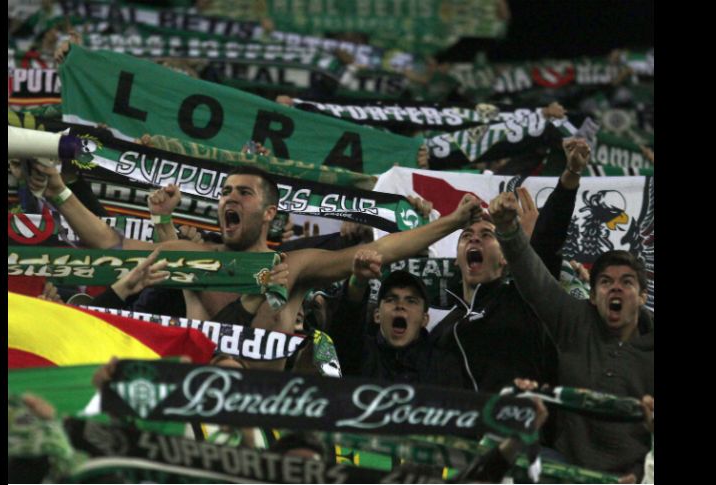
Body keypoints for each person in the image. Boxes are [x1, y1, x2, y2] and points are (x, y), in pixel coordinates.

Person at [30, 162, 484, 371]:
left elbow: (387, 250)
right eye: (226, 192)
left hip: (271, 404)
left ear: (270, 213)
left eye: (243, 193)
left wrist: (455, 220)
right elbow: (112, 243)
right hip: (203, 396)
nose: (229, 198)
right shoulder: (195, 259)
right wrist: (58, 192)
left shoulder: (295, 264)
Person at [488, 180, 654, 479]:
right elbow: (534, 278)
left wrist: (642, 474)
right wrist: (509, 230)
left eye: (627, 282)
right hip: (565, 468)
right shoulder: (574, 321)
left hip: (636, 475)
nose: (615, 287)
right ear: (592, 296)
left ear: (643, 297)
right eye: (605, 282)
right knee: (519, 460)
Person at [429, 139, 592, 393]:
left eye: (487, 235)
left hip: (521, 426)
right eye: (466, 235)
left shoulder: (523, 300)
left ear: (505, 256)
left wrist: (570, 175)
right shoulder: (440, 325)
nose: (474, 238)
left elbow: (548, 243)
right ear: (456, 258)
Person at [327, 249, 461, 386]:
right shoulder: (359, 354)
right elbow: (346, 324)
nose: (400, 305)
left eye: (411, 301)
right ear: (377, 315)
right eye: (391, 299)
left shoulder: (444, 366)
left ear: (424, 319)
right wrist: (359, 281)